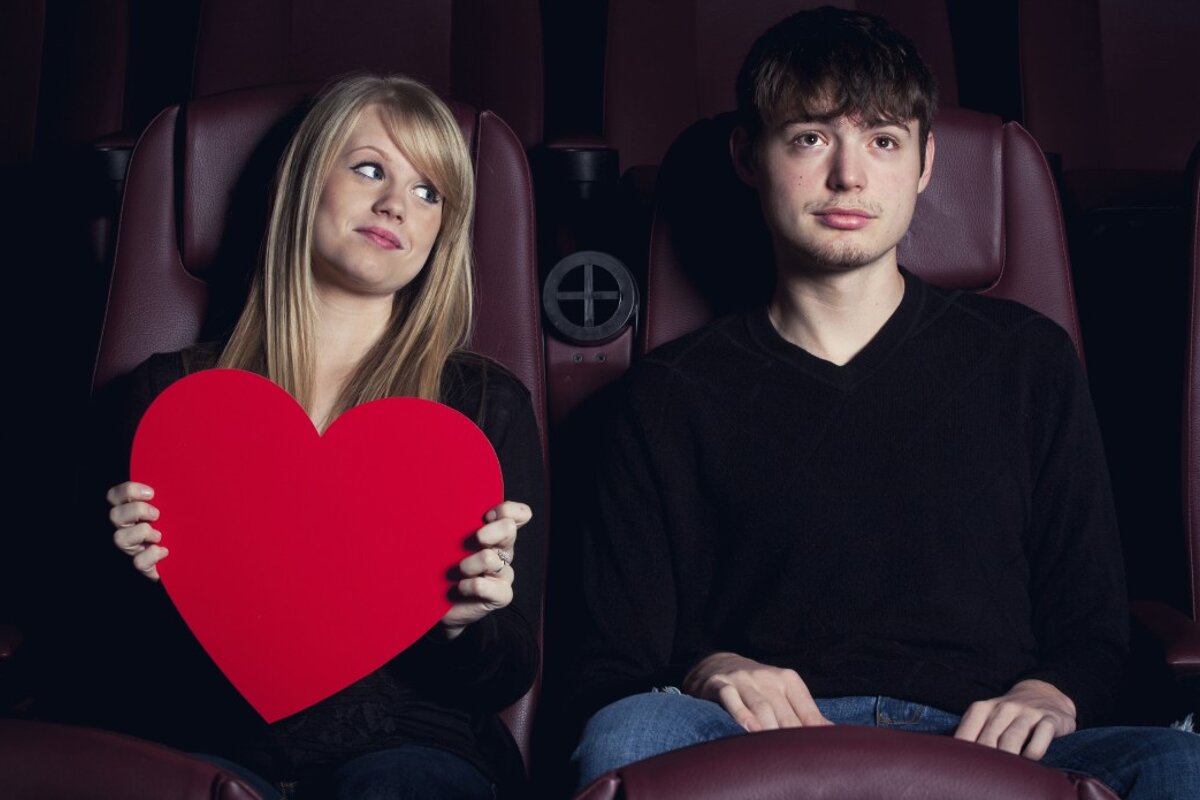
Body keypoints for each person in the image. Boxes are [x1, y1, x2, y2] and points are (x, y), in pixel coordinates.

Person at [568, 7, 1198, 798]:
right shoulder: (668, 392)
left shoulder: (1026, 358)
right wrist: (711, 667)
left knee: (1179, 764)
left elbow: (1096, 632)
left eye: (884, 141)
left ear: (926, 163)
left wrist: (1051, 692)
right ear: (747, 156)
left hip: (985, 738)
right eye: (809, 138)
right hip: (763, 741)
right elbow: (607, 667)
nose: (849, 178)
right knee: (630, 732)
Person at [100, 74, 544, 799]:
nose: (397, 203)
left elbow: (510, 669)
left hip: (416, 748)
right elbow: (112, 655)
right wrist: (125, 572)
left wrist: (469, 624)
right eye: (370, 168)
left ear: (441, 236)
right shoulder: (168, 397)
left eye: (430, 192)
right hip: (211, 740)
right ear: (305, 181)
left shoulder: (483, 406)